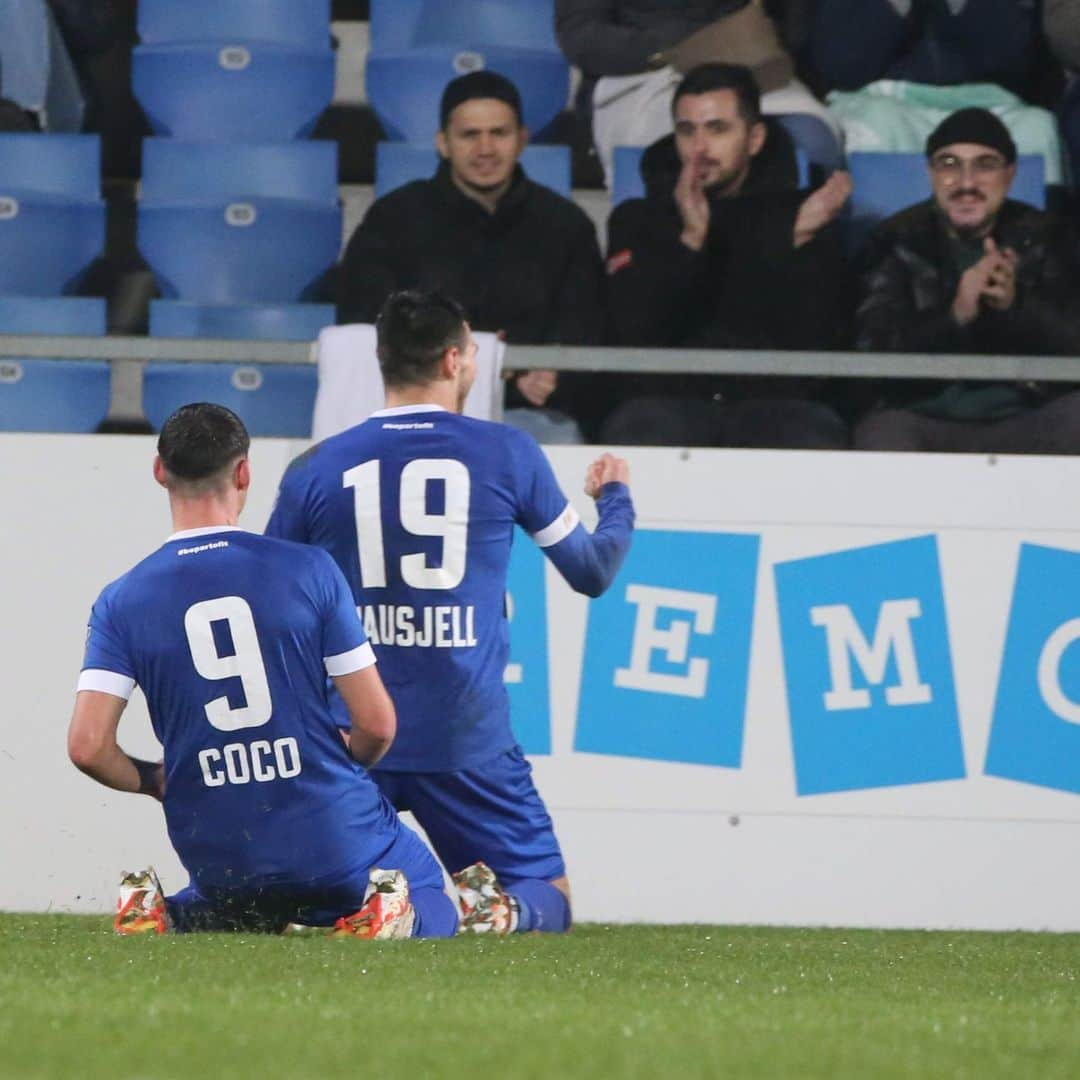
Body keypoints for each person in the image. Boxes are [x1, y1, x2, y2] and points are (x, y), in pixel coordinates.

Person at [265, 290, 636, 935]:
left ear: (382, 360)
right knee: (548, 897)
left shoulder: (316, 469)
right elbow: (593, 571)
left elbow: (271, 604)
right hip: (465, 736)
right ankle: (496, 910)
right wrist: (618, 499)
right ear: (455, 359)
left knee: (301, 893)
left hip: (352, 737)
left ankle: (346, 902)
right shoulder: (508, 453)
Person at [68, 402, 458, 938]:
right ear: (245, 471)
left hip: (218, 849)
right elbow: (378, 725)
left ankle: (165, 913)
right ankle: (390, 915)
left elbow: (87, 747)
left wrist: (161, 781)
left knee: (239, 901)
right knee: (426, 885)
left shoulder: (120, 600)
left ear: (159, 471)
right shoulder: (308, 569)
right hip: (330, 836)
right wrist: (337, 761)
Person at [336, 70, 607, 443]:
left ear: (522, 140)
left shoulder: (566, 224)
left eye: (499, 133)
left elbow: (584, 326)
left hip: (532, 414)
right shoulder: (394, 219)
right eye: (469, 135)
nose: (485, 149)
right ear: (443, 142)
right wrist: (488, 368)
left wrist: (550, 374)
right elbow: (366, 319)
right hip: (419, 408)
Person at [602, 62, 853, 448]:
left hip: (776, 404)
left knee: (813, 433)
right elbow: (635, 332)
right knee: (636, 430)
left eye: (717, 129)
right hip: (666, 403)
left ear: (754, 139)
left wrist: (788, 242)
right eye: (687, 131)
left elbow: (818, 340)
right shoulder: (638, 219)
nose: (699, 148)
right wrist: (690, 241)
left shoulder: (805, 215)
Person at [853, 107, 1080, 453]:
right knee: (881, 435)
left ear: (1010, 174)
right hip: (924, 417)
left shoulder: (1050, 237)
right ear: (930, 173)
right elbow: (872, 355)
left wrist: (1015, 308)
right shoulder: (893, 241)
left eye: (985, 164)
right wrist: (955, 315)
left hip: (1026, 415)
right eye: (949, 164)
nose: (967, 182)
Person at [554, 0, 845, 185]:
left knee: (814, 141)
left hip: (747, 65)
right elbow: (581, 36)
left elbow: (793, 25)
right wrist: (675, 46)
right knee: (679, 152)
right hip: (646, 74)